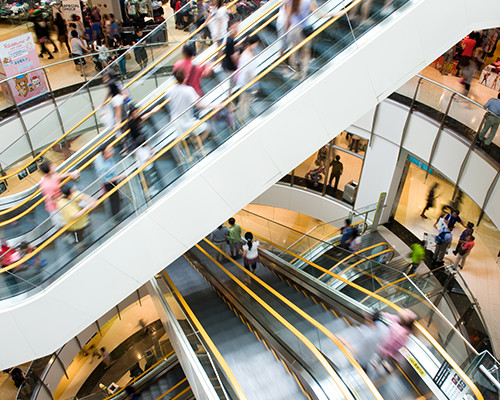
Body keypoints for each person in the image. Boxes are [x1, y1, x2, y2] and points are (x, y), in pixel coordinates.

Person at [157, 69, 213, 147]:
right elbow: (198, 105)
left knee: (179, 139)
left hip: (175, 120)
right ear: (185, 78)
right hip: (187, 120)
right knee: (207, 128)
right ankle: (197, 147)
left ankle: (181, 157)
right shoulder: (188, 90)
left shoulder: (169, 90)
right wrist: (212, 106)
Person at [39, 161, 80, 227]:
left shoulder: (50, 175)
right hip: (56, 207)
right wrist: (65, 197)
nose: (54, 166)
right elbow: (52, 199)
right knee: (62, 225)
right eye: (51, 166)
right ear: (49, 170)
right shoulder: (47, 185)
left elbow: (58, 177)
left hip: (61, 201)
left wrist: (70, 174)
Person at [94, 144, 125, 218]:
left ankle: (117, 213)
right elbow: (105, 180)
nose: (112, 152)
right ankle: (115, 216)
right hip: (108, 183)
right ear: (104, 153)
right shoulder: (100, 165)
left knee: (116, 197)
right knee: (113, 199)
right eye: (109, 151)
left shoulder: (108, 158)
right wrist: (119, 177)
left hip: (113, 178)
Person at [236, 35, 259, 121]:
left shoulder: (246, 53)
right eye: (255, 44)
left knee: (243, 99)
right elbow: (248, 71)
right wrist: (253, 82)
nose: (256, 45)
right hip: (247, 80)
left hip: (244, 79)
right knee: (245, 100)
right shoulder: (247, 56)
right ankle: (244, 116)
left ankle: (240, 116)